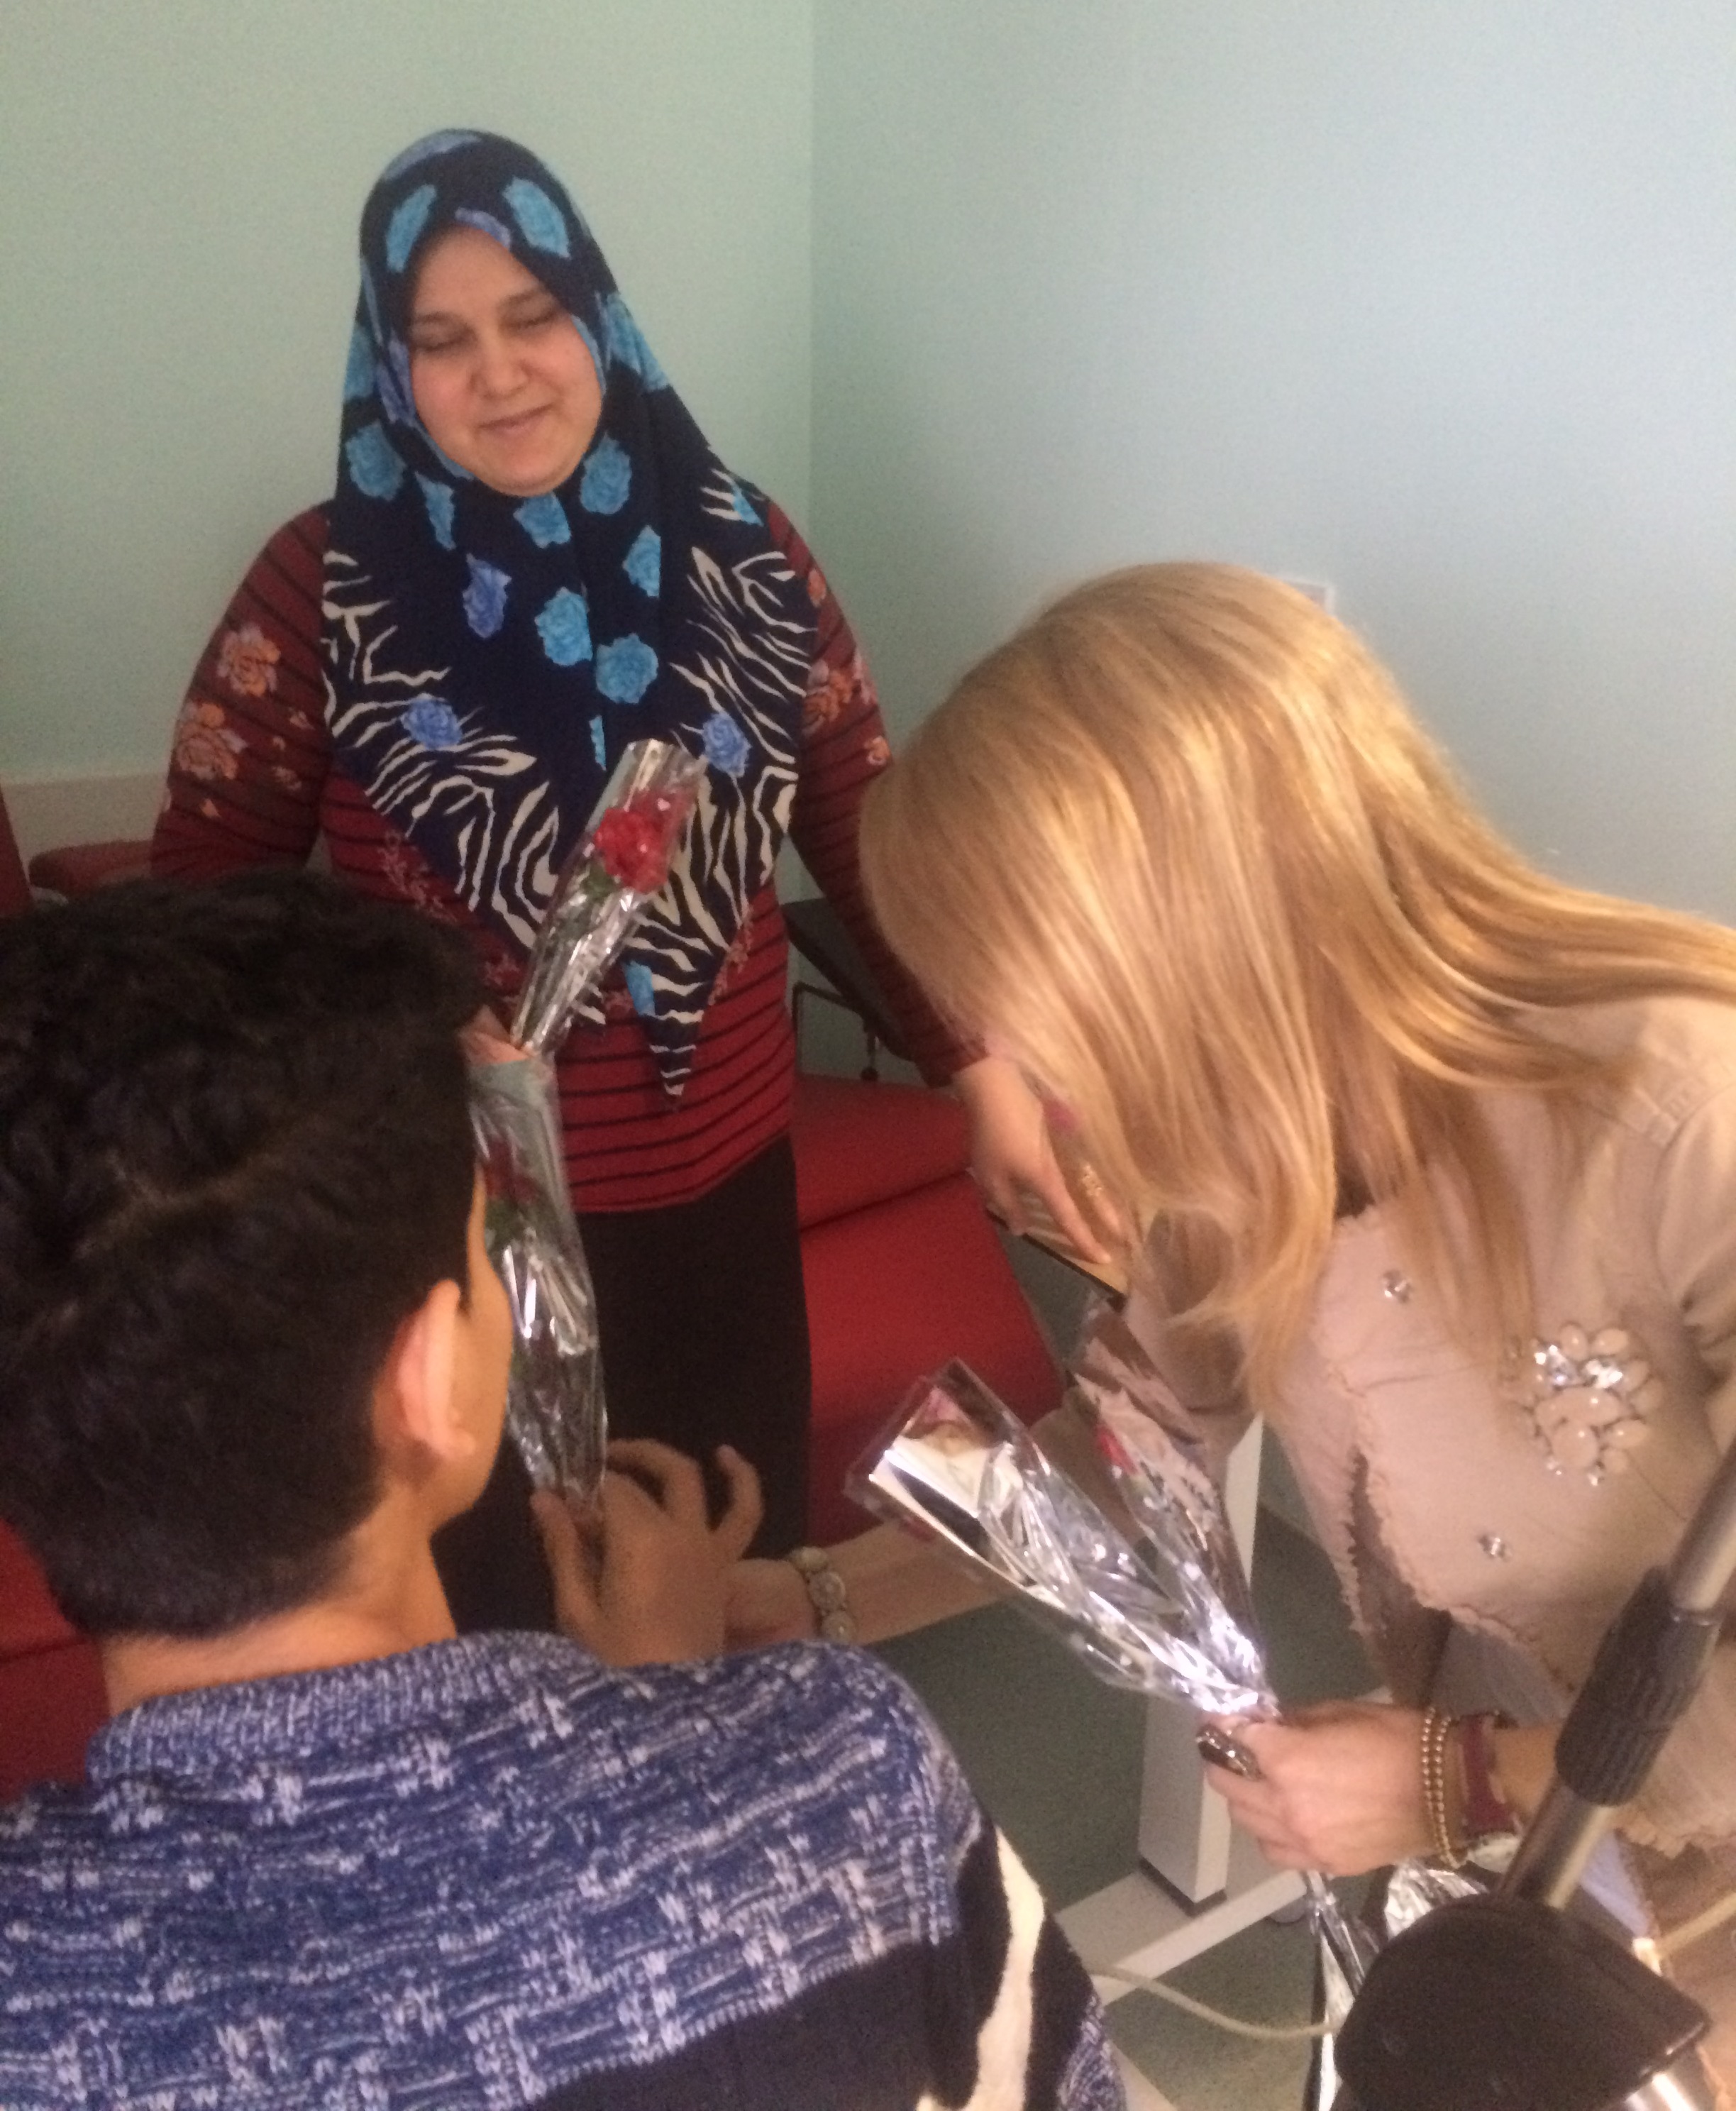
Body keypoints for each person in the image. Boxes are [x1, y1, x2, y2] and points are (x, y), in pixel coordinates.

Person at [150, 130, 1088, 1627]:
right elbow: (197, 910)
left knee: (722, 1578)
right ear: (391, 366)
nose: (500, 373)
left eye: (534, 316)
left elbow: (868, 825)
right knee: (506, 1611)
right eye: (443, 340)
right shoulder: (324, 587)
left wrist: (976, 1064)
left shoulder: (744, 552)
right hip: (451, 1229)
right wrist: (389, 1013)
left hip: (719, 1198)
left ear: (598, 316)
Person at [0, 871, 1122, 2111]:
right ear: (429, 1376)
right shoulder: (846, 1767)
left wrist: (648, 1725)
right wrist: (678, 1739)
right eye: (493, 1252)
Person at [856, 561, 1736, 2088]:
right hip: (1543, 1901)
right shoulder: (1239, 1168)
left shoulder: (1676, 1118)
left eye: (1017, 1000)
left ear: (1172, 941)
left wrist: (1457, 1784)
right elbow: (1110, 1476)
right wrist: (795, 1601)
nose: (1010, 1054)